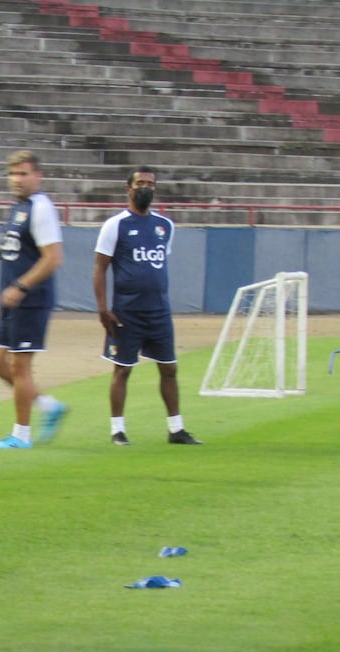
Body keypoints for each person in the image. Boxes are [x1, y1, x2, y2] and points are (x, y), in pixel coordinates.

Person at [0, 150, 68, 449]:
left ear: (38, 176)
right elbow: (16, 251)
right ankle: (48, 405)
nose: (17, 179)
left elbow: (52, 258)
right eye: (13, 173)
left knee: (20, 367)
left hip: (30, 299)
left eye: (23, 173)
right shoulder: (19, 207)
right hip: (13, 299)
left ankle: (21, 435)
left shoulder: (41, 208)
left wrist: (21, 286)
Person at [93, 167, 202, 446]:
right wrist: (103, 309)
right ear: (128, 189)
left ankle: (176, 429)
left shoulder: (165, 226)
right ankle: (117, 430)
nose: (145, 187)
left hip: (159, 311)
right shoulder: (115, 225)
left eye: (150, 184)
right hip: (127, 312)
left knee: (169, 368)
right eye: (140, 183)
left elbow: (158, 263)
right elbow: (100, 268)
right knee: (123, 369)